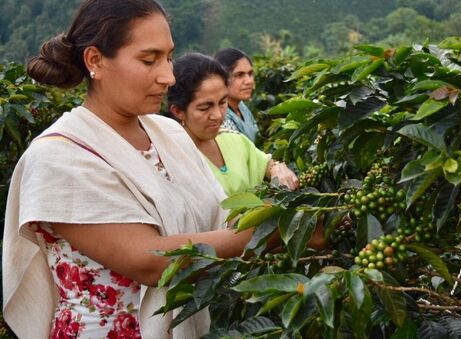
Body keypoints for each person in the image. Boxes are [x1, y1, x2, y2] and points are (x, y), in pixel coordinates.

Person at [2, 1, 323, 338]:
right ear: (95, 60)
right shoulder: (59, 157)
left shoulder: (168, 135)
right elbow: (151, 261)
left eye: (169, 57)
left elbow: (220, 218)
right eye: (148, 60)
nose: (168, 75)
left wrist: (301, 224)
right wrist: (272, 229)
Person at [167, 53, 298, 195]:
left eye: (223, 102)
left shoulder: (234, 140)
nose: (217, 115)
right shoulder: (172, 159)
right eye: (205, 108)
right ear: (178, 111)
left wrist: (277, 168)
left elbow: (265, 163)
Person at [214, 48, 259, 143]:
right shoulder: (221, 119)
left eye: (250, 74)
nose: (249, 81)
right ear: (222, 78)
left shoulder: (242, 108)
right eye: (239, 75)